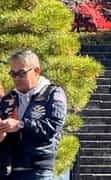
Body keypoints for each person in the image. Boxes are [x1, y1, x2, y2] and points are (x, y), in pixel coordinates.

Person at [0, 48, 67, 180]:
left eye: (21, 74)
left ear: (36, 71)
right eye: (13, 74)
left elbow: (52, 127)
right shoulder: (9, 99)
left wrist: (21, 125)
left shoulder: (53, 94)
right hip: (10, 170)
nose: (16, 79)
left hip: (38, 169)